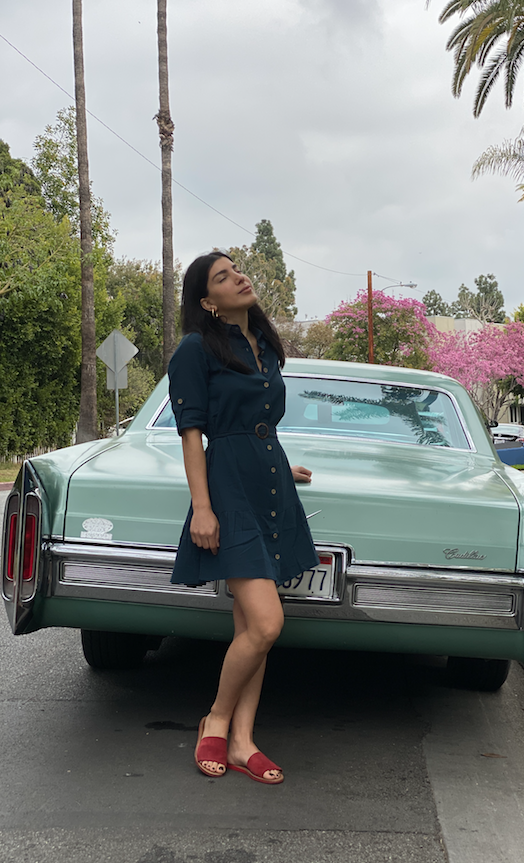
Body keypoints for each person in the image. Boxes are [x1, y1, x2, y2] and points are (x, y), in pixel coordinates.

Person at [168, 250, 319, 784]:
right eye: (223, 277)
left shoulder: (265, 347)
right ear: (207, 301)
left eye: (238, 269)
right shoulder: (194, 350)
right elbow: (193, 434)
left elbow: (260, 420)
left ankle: (242, 741)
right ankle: (216, 718)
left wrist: (279, 459)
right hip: (228, 489)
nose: (239, 277)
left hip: (270, 481)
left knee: (250, 625)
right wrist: (203, 509)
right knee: (268, 623)